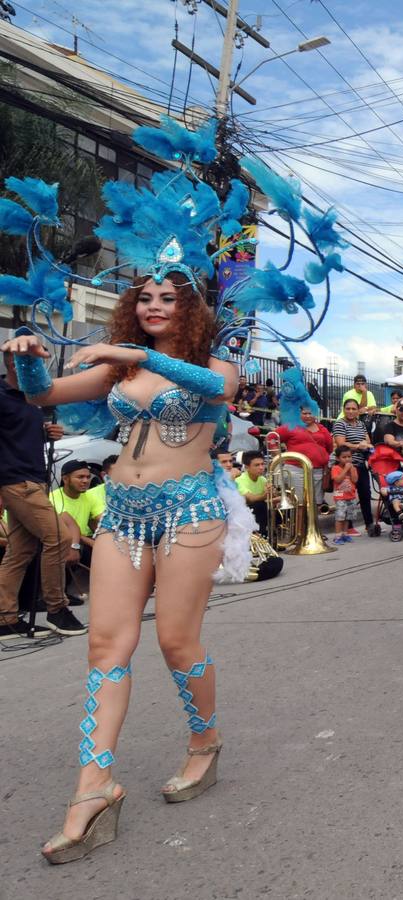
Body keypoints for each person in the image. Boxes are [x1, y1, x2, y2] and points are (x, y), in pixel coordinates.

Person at [6, 273, 240, 861]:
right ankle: (94, 789)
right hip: (123, 513)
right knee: (106, 646)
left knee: (176, 642)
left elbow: (218, 389)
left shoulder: (215, 362)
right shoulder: (120, 371)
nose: (154, 306)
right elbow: (42, 397)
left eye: (168, 298)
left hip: (191, 509)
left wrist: (131, 353)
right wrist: (29, 357)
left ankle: (204, 744)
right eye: (144, 298)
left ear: (189, 310)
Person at [0, 349, 85, 641]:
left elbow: (20, 435)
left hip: (34, 478)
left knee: (19, 552)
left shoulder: (33, 398)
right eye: (21, 360)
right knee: (58, 539)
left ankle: (6, 619)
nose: (26, 365)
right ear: (10, 362)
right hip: (16, 481)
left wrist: (47, 432)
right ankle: (56, 608)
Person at [49, 459, 106, 589]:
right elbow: (68, 528)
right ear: (65, 479)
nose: (85, 481)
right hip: (65, 540)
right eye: (80, 477)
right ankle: (60, 593)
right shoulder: (54, 497)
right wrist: (92, 543)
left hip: (83, 540)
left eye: (87, 477)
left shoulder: (89, 496)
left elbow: (102, 520)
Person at [273, 405, 333, 513]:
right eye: (304, 413)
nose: (308, 416)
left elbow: (330, 448)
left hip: (318, 471)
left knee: (316, 503)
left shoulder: (322, 429)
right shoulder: (290, 426)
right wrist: (279, 457)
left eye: (311, 413)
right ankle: (300, 529)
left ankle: (312, 529)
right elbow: (272, 437)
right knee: (300, 504)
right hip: (296, 470)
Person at [331, 398, 375, 536]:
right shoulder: (340, 424)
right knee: (347, 496)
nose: (351, 411)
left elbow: (367, 440)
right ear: (344, 410)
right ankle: (348, 528)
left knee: (365, 494)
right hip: (346, 466)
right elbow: (341, 444)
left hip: (360, 464)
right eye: (348, 408)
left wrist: (366, 444)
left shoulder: (361, 424)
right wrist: (358, 446)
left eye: (354, 409)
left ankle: (369, 525)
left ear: (358, 410)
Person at [235, 450, 269, 536]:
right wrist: (266, 495)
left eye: (262, 464)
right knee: (260, 505)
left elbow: (267, 499)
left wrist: (276, 497)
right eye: (257, 465)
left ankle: (271, 536)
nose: (261, 467)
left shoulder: (263, 479)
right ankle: (261, 536)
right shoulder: (239, 480)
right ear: (246, 467)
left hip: (258, 514)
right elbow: (251, 498)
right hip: (243, 515)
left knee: (274, 510)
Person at [330, 446, 358, 544]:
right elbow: (337, 480)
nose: (347, 459)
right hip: (340, 496)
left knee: (348, 517)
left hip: (351, 496)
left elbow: (355, 480)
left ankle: (345, 534)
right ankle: (337, 536)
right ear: (338, 458)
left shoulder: (353, 468)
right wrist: (346, 470)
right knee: (340, 517)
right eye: (344, 457)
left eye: (349, 457)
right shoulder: (335, 468)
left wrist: (351, 470)